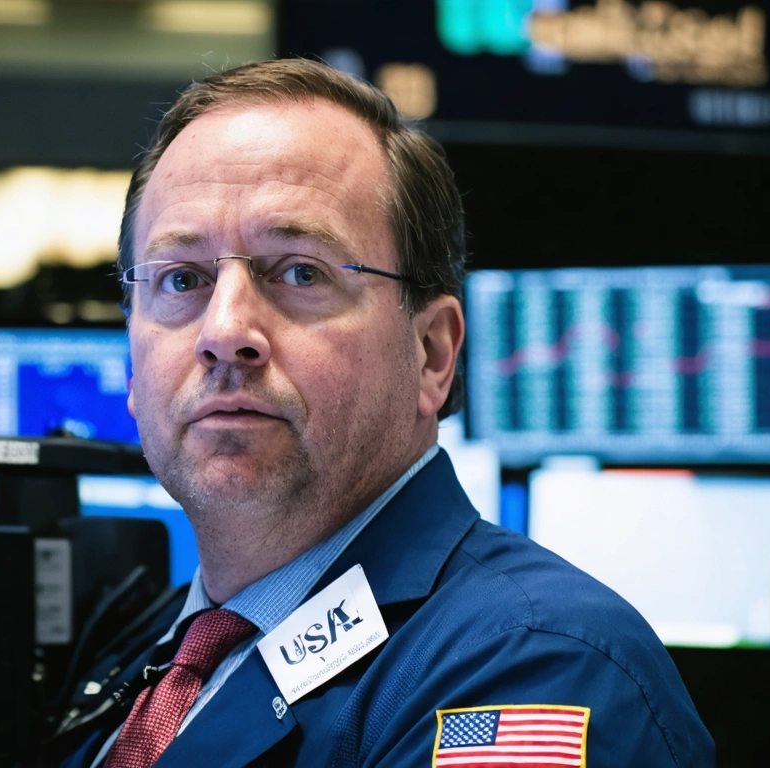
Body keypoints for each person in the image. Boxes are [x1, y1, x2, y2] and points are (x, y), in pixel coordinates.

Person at [46, 58, 714, 768]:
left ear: (431, 353)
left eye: (300, 271)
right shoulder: (141, 657)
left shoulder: (534, 666)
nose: (224, 331)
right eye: (182, 279)